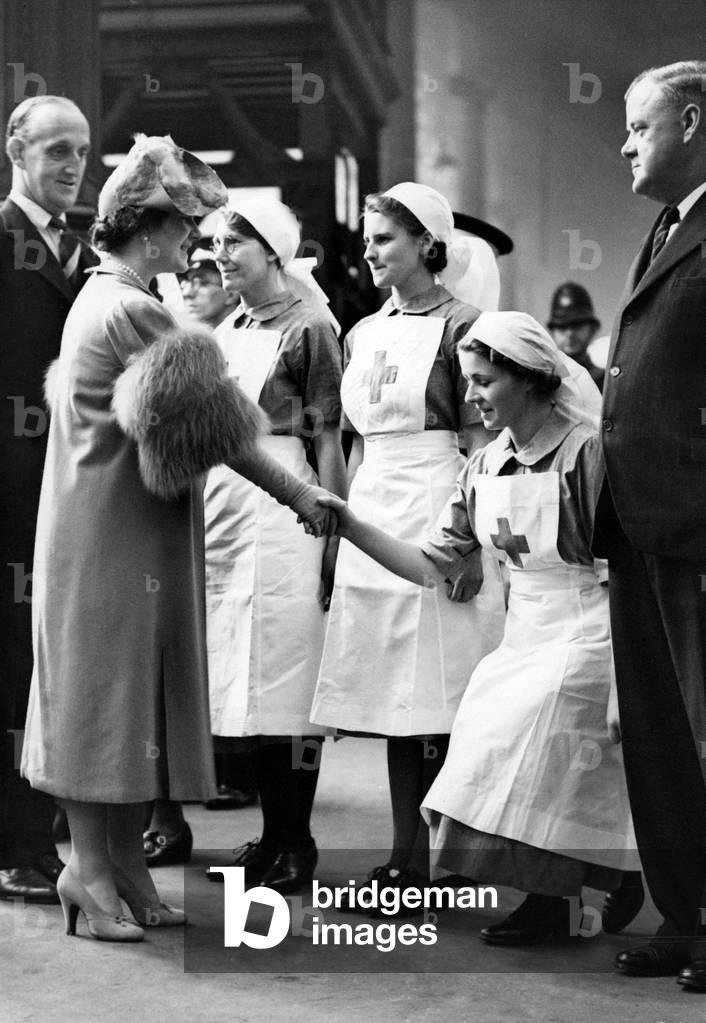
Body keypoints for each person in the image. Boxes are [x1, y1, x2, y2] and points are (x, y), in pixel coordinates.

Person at [19, 134, 331, 942]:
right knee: (105, 696)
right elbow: (221, 428)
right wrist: (301, 490)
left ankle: (120, 866)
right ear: (150, 230)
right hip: (112, 535)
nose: (191, 244)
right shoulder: (132, 307)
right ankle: (87, 871)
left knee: (128, 695)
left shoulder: (100, 297)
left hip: (114, 527)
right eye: (182, 230)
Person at [318, 311, 640, 943]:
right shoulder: (485, 464)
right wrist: (348, 523)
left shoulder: (587, 453)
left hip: (591, 632)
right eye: (467, 381)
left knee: (534, 730)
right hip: (524, 637)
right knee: (481, 739)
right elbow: (426, 564)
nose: (469, 397)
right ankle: (575, 889)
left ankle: (569, 897)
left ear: (530, 381)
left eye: (485, 382)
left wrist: (624, 682)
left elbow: (620, 575)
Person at [310, 183, 506, 905]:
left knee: (445, 694)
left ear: (429, 244)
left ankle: (453, 855)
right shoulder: (360, 333)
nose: (368, 250)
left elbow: (482, 442)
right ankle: (404, 856)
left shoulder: (467, 327)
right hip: (374, 511)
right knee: (396, 698)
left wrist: (473, 544)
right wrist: (340, 543)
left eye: (384, 238)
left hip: (439, 503)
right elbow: (356, 446)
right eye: (366, 239)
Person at [591, 60, 706, 990]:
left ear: (694, 122)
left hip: (694, 525)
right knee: (662, 732)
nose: (624, 143)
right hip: (641, 524)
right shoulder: (668, 230)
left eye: (640, 126)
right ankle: (684, 909)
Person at [201, 198, 346, 893]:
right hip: (229, 507)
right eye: (218, 244)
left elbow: (327, 435)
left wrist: (333, 535)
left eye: (237, 243)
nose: (222, 255)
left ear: (276, 250)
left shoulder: (312, 327)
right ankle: (270, 834)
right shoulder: (227, 328)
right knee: (246, 682)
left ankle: (298, 839)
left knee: (287, 676)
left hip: (289, 502)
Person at [0, 94, 97, 905]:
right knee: (9, 660)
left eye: (82, 152)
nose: (72, 166)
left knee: (49, 654)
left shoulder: (90, 250)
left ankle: (42, 831)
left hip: (68, 486)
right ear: (16, 149)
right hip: (7, 484)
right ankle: (16, 847)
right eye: (57, 151)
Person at [547, 282, 604, 390]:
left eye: (577, 325)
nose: (570, 334)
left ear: (592, 329)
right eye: (562, 327)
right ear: (552, 332)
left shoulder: (607, 383)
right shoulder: (542, 383)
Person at [178, 249, 237, 330]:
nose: (187, 293)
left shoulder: (249, 337)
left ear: (231, 294)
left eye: (202, 283)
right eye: (186, 282)